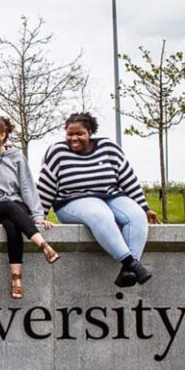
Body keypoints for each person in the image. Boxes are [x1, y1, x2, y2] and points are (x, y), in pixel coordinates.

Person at [37, 112, 160, 287]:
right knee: (100, 214)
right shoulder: (57, 152)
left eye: (79, 133)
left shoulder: (108, 147)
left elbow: (128, 179)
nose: (74, 138)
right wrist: (38, 215)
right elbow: (45, 186)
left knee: (136, 216)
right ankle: (132, 264)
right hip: (71, 200)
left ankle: (129, 271)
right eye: (70, 134)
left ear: (90, 132)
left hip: (111, 195)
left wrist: (145, 207)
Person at [0, 115, 60, 299]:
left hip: (15, 207)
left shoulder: (16, 157)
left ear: (2, 135)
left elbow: (28, 187)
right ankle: (43, 245)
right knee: (8, 206)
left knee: (11, 223)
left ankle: (16, 280)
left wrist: (38, 215)